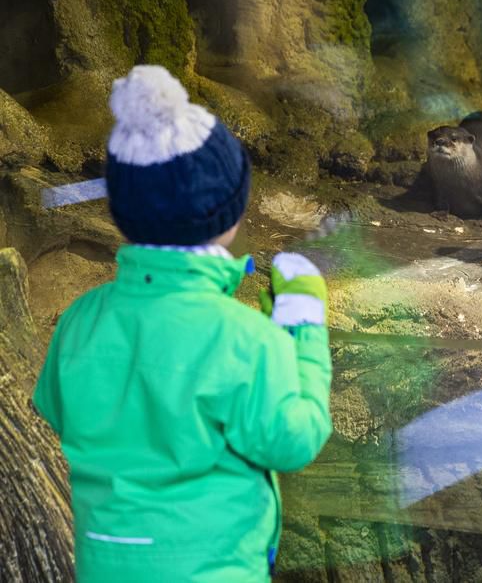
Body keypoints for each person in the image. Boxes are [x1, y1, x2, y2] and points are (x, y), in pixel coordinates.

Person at [32, 65, 333, 582]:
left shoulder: (79, 320)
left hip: (105, 567)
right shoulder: (244, 338)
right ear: (231, 212)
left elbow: (57, 409)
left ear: (121, 211)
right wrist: (300, 331)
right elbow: (293, 440)